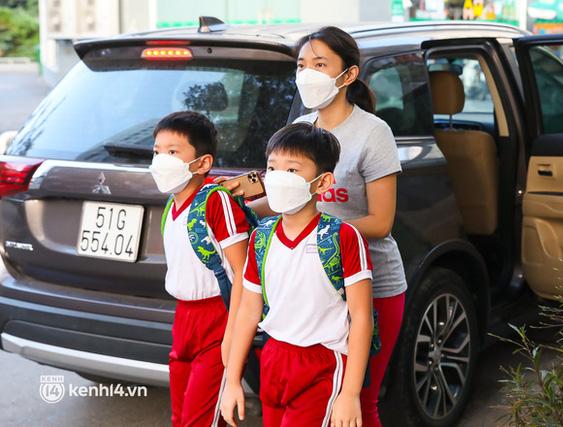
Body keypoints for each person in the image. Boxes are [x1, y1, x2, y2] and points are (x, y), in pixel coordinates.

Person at [219, 26, 407, 426]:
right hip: (307, 289)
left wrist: (320, 231)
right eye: (303, 64)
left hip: (371, 284)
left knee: (358, 399)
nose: (307, 73)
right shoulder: (301, 128)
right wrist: (248, 198)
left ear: (348, 75)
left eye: (320, 64)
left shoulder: (373, 133)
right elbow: (289, 196)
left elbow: (381, 220)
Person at [220, 123, 374, 427]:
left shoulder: (342, 237)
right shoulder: (261, 238)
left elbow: (361, 316)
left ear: (322, 182)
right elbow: (248, 311)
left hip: (321, 364)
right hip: (273, 358)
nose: (278, 178)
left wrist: (350, 393)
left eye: (292, 170)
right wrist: (232, 380)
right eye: (272, 168)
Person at [150, 111, 250, 427]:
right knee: (181, 416)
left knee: (199, 418)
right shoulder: (172, 205)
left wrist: (231, 337)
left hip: (217, 320)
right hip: (184, 320)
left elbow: (244, 274)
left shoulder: (214, 202)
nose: (161, 160)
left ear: (203, 163)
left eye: (173, 152)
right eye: (157, 152)